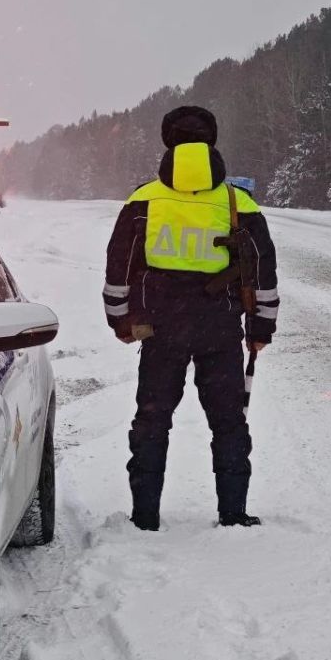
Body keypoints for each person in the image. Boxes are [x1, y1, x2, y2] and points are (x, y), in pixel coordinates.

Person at [102, 106, 279, 531]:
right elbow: (262, 272)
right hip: (220, 330)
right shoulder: (239, 202)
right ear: (211, 143)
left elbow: (118, 269)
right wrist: (260, 330)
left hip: (160, 332)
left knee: (152, 421)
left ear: (168, 143)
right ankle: (233, 513)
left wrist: (121, 322)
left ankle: (144, 516)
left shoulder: (144, 201)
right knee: (229, 423)